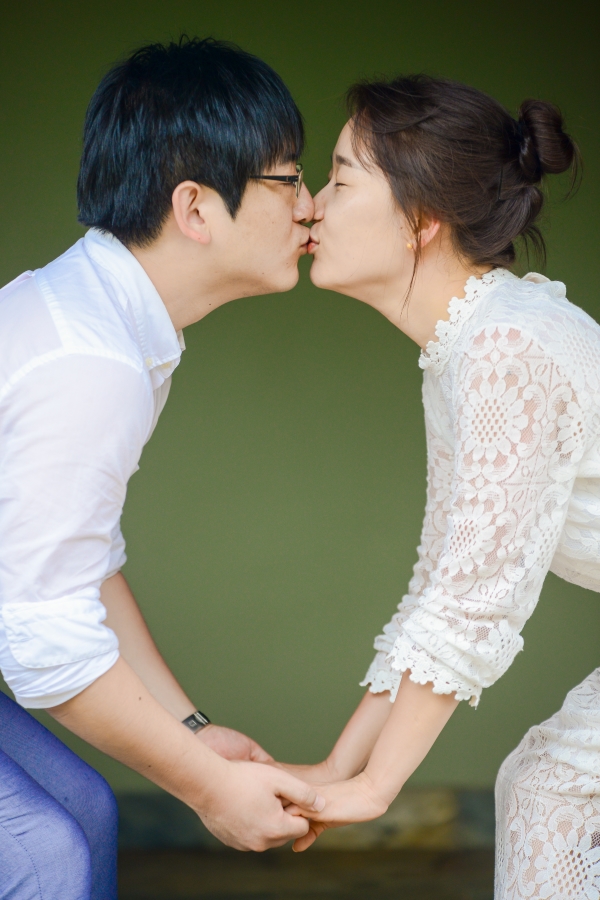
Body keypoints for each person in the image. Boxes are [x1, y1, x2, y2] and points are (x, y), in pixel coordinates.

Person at [0, 36, 324, 900]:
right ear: (195, 207)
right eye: (289, 179)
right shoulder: (91, 359)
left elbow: (84, 563)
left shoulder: (115, 323)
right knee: (45, 854)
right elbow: (47, 645)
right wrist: (209, 788)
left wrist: (191, 731)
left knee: (83, 814)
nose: (310, 208)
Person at [282, 75, 600, 898]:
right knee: (545, 787)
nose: (310, 207)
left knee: (549, 790)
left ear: (421, 219)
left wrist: (375, 788)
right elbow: (439, 584)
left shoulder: (505, 348)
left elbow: (473, 599)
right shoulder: (467, 346)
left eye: (340, 179)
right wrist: (340, 768)